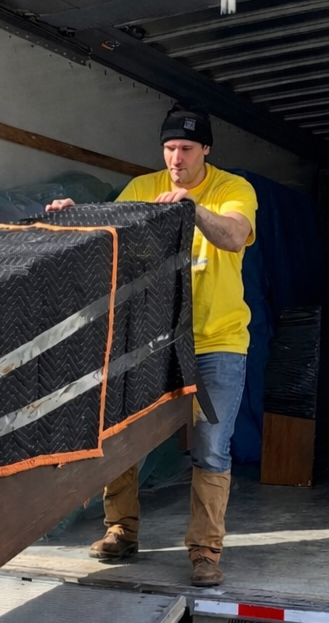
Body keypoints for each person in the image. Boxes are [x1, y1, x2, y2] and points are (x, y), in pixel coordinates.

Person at [49, 104, 256, 587]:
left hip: (217, 341)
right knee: (120, 435)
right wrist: (74, 218)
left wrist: (191, 208)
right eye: (169, 148)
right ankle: (121, 530)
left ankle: (205, 551)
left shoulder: (234, 189)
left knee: (211, 447)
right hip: (154, 341)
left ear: (206, 149)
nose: (176, 159)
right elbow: (110, 234)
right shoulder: (143, 188)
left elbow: (233, 235)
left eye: (186, 149)